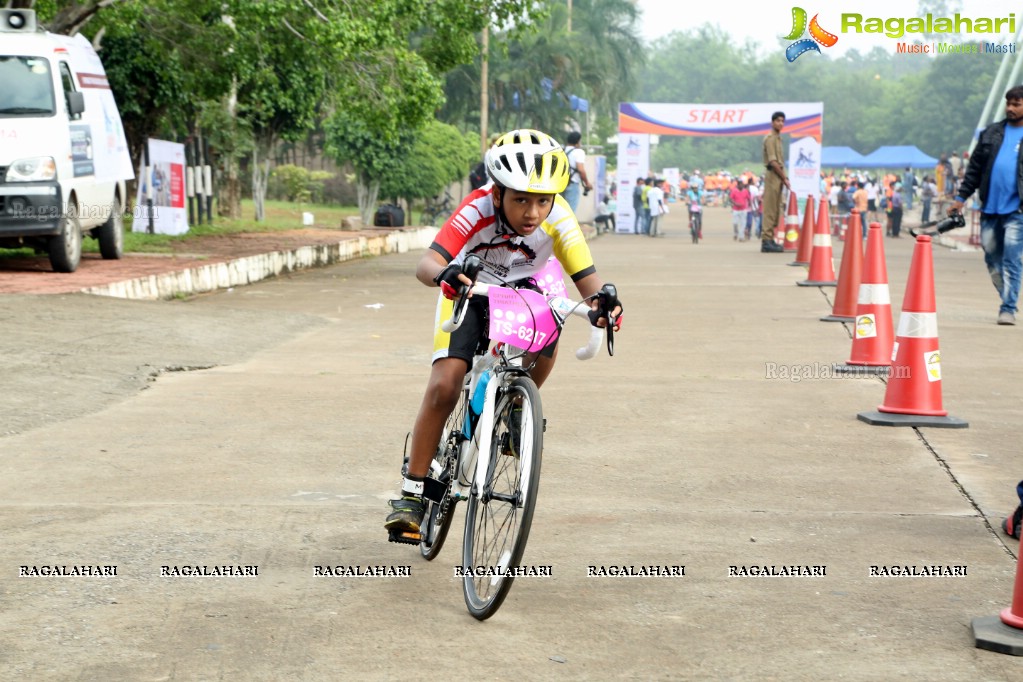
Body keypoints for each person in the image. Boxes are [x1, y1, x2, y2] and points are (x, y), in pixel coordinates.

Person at [384, 129, 623, 539]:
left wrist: (604, 308)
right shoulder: (476, 207)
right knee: (445, 384)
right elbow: (426, 264)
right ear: (497, 194)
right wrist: (445, 273)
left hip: (530, 285)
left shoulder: (560, 218)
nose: (533, 212)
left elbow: (589, 281)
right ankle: (412, 492)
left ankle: (516, 403)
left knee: (552, 330)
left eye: (543, 200)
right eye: (521, 200)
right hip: (471, 285)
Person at [949, 85, 1023, 326]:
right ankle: (1008, 297)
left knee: (1012, 260)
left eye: (1016, 104)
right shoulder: (991, 133)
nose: (1010, 108)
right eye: (1008, 103)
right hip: (990, 208)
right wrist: (960, 199)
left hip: (1017, 211)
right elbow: (974, 171)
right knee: (992, 259)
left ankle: (1008, 308)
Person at [761, 111, 790, 252]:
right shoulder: (770, 138)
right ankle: (766, 241)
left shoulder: (778, 138)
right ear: (772, 122)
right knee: (770, 209)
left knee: (776, 208)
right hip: (773, 175)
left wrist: (784, 177)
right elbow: (773, 161)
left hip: (778, 176)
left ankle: (770, 238)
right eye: (778, 121)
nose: (780, 123)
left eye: (782, 121)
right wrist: (784, 178)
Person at [561, 131, 592, 212]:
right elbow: (581, 170)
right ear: (578, 141)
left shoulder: (561, 151)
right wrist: (587, 183)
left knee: (560, 210)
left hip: (560, 184)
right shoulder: (578, 152)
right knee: (570, 212)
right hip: (572, 184)